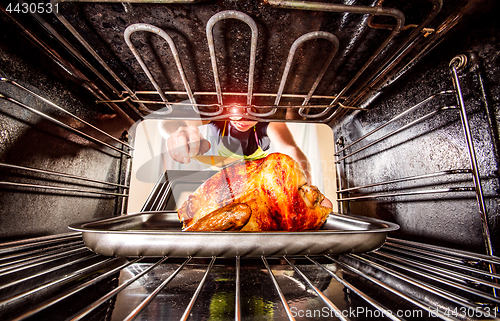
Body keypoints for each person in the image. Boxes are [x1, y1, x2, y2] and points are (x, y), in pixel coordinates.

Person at [159, 118, 333, 208]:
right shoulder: (216, 115)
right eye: (237, 110)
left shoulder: (269, 121)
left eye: (252, 111)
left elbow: (289, 148)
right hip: (221, 186)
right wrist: (179, 132)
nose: (243, 118)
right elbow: (167, 123)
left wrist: (303, 180)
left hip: (255, 188)